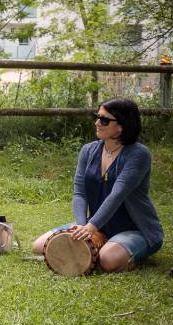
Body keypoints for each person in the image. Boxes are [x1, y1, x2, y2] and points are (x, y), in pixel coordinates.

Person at [32, 98, 164, 272]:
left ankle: (117, 251)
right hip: (95, 226)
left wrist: (91, 227)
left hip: (136, 229)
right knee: (40, 246)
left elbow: (117, 195)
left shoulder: (139, 154)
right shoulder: (88, 150)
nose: (97, 123)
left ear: (122, 126)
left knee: (107, 260)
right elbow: (80, 192)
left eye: (104, 120)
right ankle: (99, 241)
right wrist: (82, 226)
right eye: (97, 116)